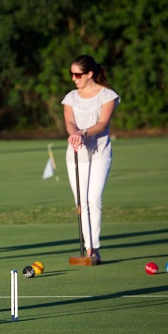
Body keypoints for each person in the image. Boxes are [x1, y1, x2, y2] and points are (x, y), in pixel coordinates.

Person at [61, 55, 120, 263]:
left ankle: (93, 248)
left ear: (89, 74)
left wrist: (83, 132)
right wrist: (74, 133)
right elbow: (69, 122)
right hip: (76, 154)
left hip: (99, 152)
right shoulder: (70, 98)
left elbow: (102, 124)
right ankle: (87, 246)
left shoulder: (108, 96)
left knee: (93, 199)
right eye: (72, 74)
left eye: (77, 74)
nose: (74, 78)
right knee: (81, 202)